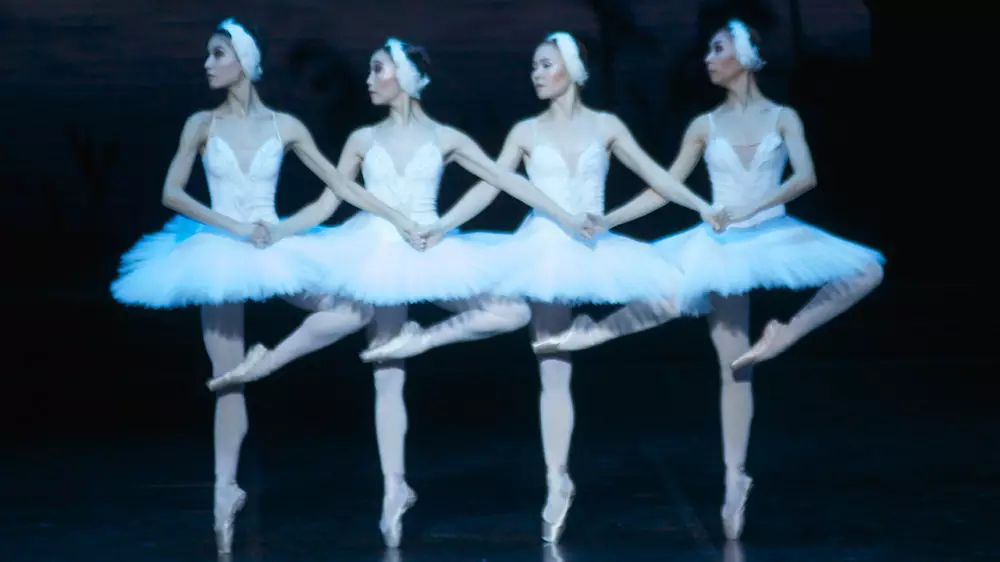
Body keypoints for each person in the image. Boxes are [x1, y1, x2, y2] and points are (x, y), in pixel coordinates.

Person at [205, 37, 598, 548]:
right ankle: (394, 486)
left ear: (406, 77)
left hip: (427, 246)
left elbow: (502, 180)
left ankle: (421, 341)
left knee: (511, 312)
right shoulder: (362, 139)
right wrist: (278, 232)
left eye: (378, 69)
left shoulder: (446, 137)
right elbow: (328, 202)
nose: (368, 79)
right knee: (386, 375)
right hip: (373, 252)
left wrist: (558, 216)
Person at [358, 32, 719, 544]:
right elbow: (494, 183)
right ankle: (557, 480)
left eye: (545, 64)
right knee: (552, 370)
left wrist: (675, 209)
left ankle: (591, 334)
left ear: (571, 67)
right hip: (544, 248)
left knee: (674, 294)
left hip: (592, 241)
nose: (536, 73)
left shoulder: (606, 126)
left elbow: (657, 179)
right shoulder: (525, 131)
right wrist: (443, 225)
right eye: (533, 66)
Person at [533, 19, 885, 539]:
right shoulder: (704, 125)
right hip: (719, 244)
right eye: (707, 50)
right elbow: (664, 186)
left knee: (867, 270)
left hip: (770, 232)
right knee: (725, 356)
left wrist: (750, 207)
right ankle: (733, 476)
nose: (707, 58)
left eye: (717, 49)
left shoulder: (783, 117)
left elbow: (805, 176)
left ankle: (786, 334)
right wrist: (609, 219)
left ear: (745, 54)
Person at [109, 19, 422, 555]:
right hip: (218, 248)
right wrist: (232, 226)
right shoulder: (200, 123)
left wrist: (395, 215)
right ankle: (224, 491)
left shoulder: (286, 126)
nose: (207, 64)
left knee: (355, 309)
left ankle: (272, 361)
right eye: (207, 55)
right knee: (226, 378)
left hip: (272, 243)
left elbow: (339, 185)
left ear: (245, 61)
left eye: (217, 54)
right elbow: (171, 193)